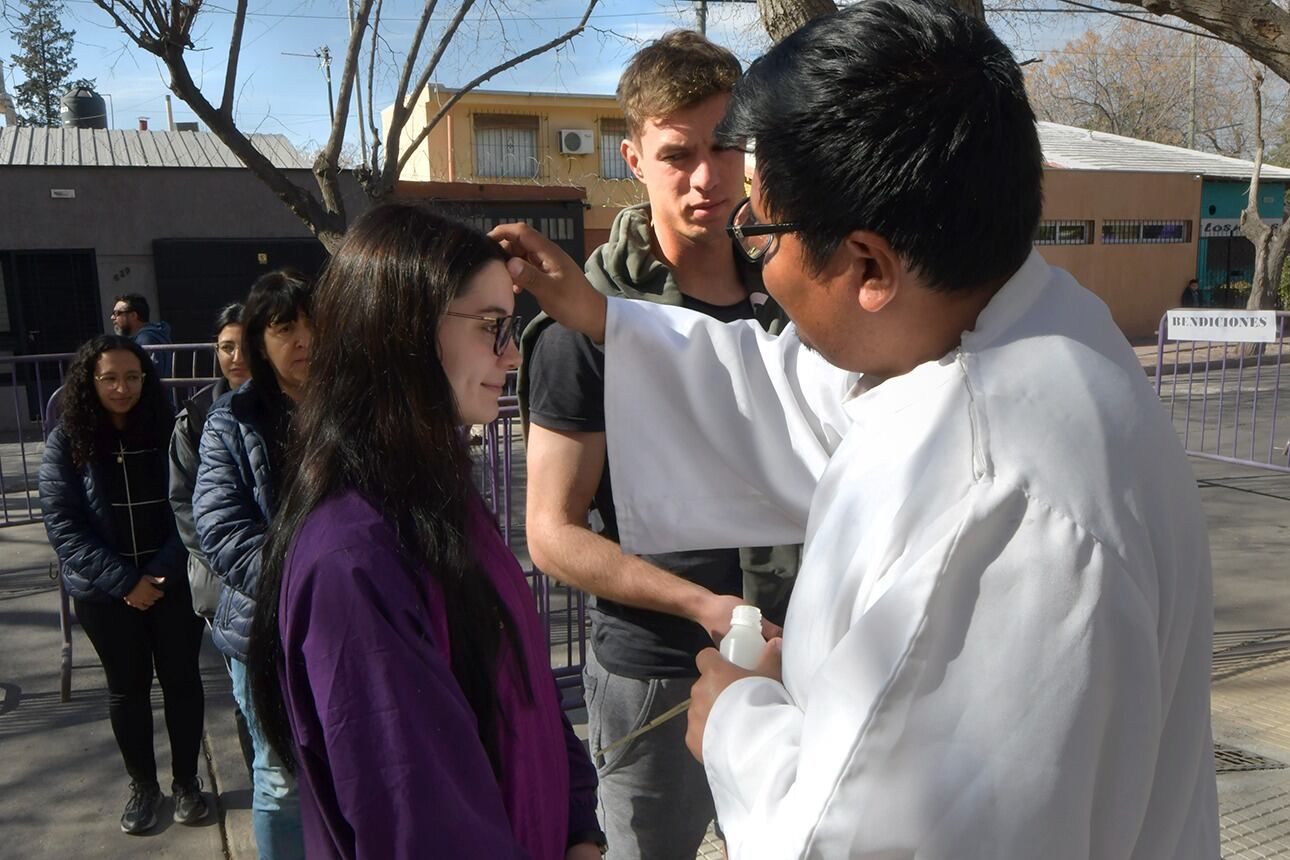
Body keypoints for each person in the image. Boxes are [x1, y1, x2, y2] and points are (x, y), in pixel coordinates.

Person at [493, 1, 1219, 857]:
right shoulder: (1032, 326)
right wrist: (610, 320)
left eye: (764, 230)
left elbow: (861, 834)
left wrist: (737, 723)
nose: (753, 249)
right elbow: (787, 395)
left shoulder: (996, 512)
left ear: (870, 263)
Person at [242, 202, 603, 859]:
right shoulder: (352, 559)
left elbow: (528, 681)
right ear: (403, 331)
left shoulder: (446, 501)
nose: (512, 353)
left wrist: (580, 825)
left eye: (511, 326)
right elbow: (420, 822)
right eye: (492, 327)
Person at [520, 30, 795, 859]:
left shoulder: (788, 297)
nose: (707, 178)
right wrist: (703, 607)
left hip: (799, 655)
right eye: (678, 154)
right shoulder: (583, 327)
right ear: (633, 156)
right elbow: (552, 535)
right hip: (657, 676)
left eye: (726, 146)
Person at [38, 334, 208, 835]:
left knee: (181, 682)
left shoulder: (168, 428)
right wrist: (124, 582)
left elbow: (195, 507)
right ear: (89, 381)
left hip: (169, 583)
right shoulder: (68, 439)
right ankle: (144, 787)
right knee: (127, 690)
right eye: (109, 378)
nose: (121, 388)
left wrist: (160, 572)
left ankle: (186, 783)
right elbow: (63, 524)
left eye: (132, 377)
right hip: (106, 594)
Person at [194, 272, 311, 860]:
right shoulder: (230, 421)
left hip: (352, 624)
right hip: (263, 627)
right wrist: (308, 588)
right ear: (260, 342)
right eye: (286, 328)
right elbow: (221, 530)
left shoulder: (355, 410)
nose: (304, 341)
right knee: (281, 777)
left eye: (314, 326)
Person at [168, 303, 255, 772]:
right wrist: (235, 561)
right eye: (226, 347)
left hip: (288, 581)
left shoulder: (298, 405)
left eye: (245, 345)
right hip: (225, 586)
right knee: (249, 705)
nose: (236, 356)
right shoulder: (198, 417)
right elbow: (184, 504)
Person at [112, 293, 173, 377]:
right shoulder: (154, 334)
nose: (112, 317)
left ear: (133, 315)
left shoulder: (146, 339)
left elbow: (147, 375)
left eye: (116, 313)